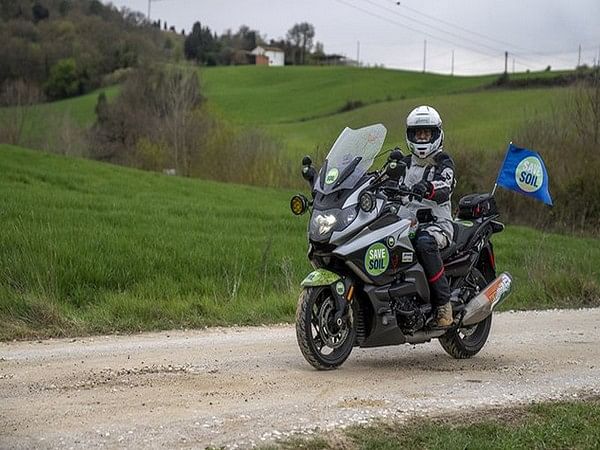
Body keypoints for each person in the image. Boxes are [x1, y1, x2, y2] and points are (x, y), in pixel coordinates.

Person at [400, 105, 456, 327]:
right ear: (411, 135)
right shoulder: (402, 164)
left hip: (437, 226)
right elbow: (382, 180)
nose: (422, 137)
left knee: (424, 243)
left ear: (436, 134)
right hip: (405, 224)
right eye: (418, 133)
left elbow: (447, 184)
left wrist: (429, 187)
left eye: (426, 133)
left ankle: (443, 303)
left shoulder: (443, 162)